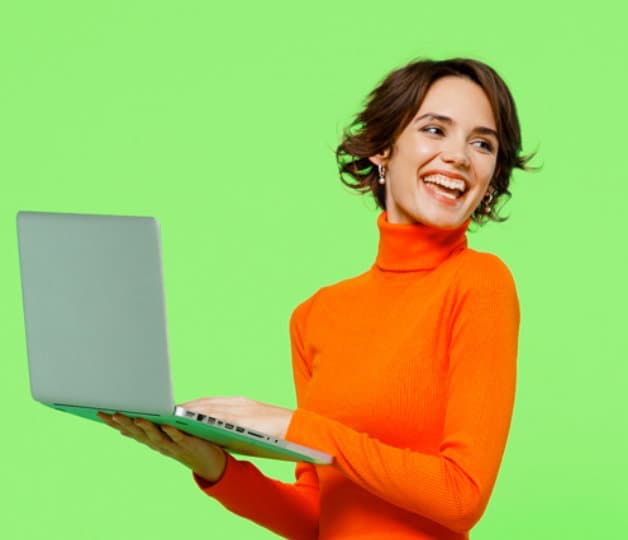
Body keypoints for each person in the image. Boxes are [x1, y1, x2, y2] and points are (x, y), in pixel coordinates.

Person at [98, 57, 533, 539]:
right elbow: (318, 517)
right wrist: (216, 467)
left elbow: (461, 497)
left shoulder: (479, 283)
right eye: (434, 130)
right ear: (383, 150)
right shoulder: (317, 316)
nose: (459, 156)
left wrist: (295, 427)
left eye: (482, 142)